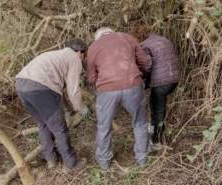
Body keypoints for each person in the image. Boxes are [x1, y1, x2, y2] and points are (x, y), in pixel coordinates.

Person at [15, 38, 89, 173]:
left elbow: (60, 90)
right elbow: (73, 91)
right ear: (80, 52)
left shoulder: (54, 55)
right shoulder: (74, 58)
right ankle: (71, 163)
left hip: (21, 85)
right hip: (41, 88)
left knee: (43, 124)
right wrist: (80, 108)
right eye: (84, 55)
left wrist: (68, 108)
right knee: (59, 128)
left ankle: (51, 159)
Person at [87, 27, 151, 169]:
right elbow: (144, 62)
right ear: (112, 32)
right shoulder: (127, 37)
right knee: (139, 122)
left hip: (107, 90)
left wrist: (100, 81)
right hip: (133, 84)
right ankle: (142, 159)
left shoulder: (93, 47)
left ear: (98, 37)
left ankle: (104, 163)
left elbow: (91, 78)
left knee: (104, 126)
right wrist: (140, 74)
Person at [139, 27, 180, 148]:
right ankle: (158, 135)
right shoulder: (164, 40)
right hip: (174, 79)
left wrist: (143, 80)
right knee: (158, 105)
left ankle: (156, 140)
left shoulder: (144, 45)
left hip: (161, 82)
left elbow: (147, 65)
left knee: (157, 110)